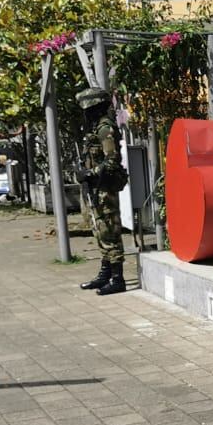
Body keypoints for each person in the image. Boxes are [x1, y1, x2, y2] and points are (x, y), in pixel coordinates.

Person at [75, 87, 128, 295]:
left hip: (105, 187)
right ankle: (105, 273)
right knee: (99, 230)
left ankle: (118, 278)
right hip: (97, 188)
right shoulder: (95, 129)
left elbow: (112, 160)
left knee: (109, 230)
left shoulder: (105, 129)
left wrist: (91, 173)